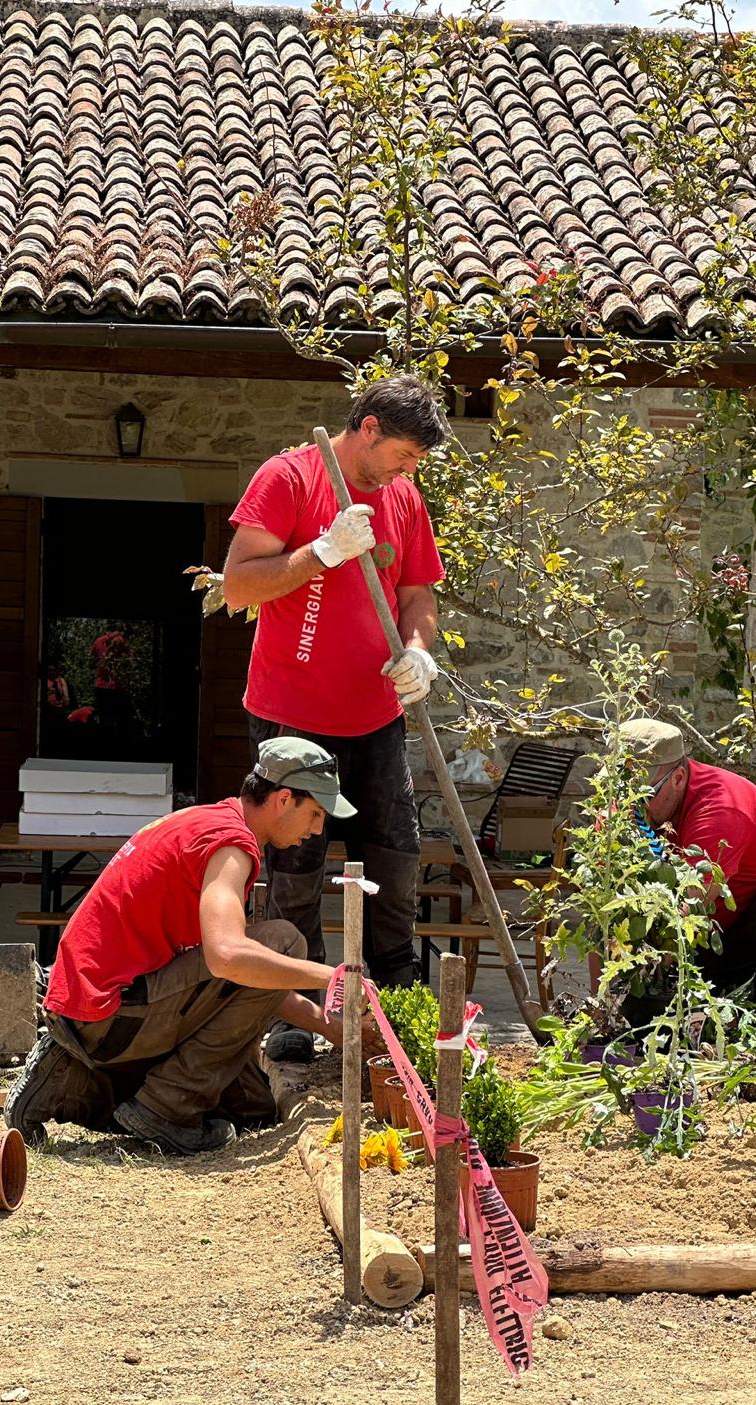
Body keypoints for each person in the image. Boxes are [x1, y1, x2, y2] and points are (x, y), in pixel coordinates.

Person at [222, 374, 452, 1064]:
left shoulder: (404, 498)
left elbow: (419, 597)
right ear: (371, 428)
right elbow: (238, 584)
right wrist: (319, 553)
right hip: (292, 713)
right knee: (295, 861)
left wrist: (418, 652)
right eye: (405, 453)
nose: (410, 470)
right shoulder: (290, 478)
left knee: (395, 849)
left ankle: (396, 997)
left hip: (375, 711)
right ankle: (294, 1009)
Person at [5, 738, 373, 1157]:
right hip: (109, 1011)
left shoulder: (207, 820)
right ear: (284, 799)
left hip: (92, 1006)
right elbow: (228, 957)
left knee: (253, 1108)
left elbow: (244, 984)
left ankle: (71, 1083)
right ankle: (164, 1108)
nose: (317, 830)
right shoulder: (233, 847)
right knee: (285, 942)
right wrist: (334, 976)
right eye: (315, 813)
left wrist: (328, 1026)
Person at [618, 718, 756, 1032]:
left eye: (643, 795)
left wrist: (649, 971)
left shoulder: (721, 806)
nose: (632, 807)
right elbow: (606, 910)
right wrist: (607, 999)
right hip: (709, 934)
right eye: (623, 792)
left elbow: (690, 910)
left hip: (755, 925)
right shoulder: (623, 812)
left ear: (678, 777)